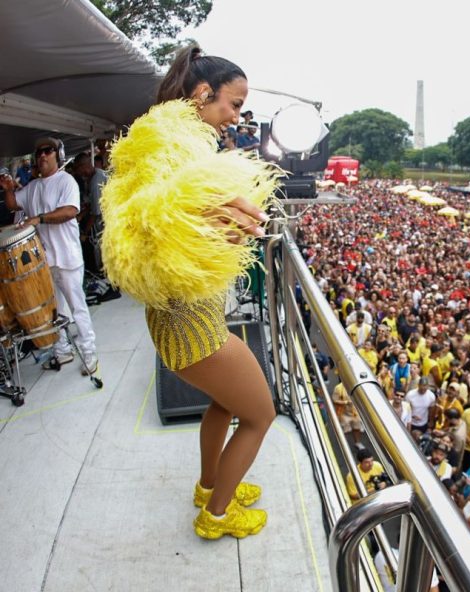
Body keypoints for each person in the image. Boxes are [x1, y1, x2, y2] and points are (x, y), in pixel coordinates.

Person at [100, 46, 277, 540]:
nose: (235, 118)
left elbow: (179, 217)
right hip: (191, 326)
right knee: (261, 415)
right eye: (233, 105)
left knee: (225, 405)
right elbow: (158, 211)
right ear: (203, 93)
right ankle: (216, 516)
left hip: (185, 319)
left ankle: (208, 486)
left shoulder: (172, 137)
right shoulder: (176, 145)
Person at [1, 137, 99, 374]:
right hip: (45, 263)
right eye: (39, 152)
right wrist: (8, 190)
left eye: (48, 151)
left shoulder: (66, 182)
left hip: (67, 258)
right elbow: (14, 205)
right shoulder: (33, 187)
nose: (42, 155)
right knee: (55, 311)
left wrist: (40, 218)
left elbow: (69, 211)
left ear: (58, 155)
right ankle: (63, 350)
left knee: (77, 308)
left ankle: (89, 353)